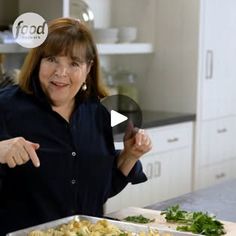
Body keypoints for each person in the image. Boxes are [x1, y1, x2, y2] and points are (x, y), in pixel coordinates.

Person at [0, 17, 152, 234]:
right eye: (52, 59)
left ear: (88, 68)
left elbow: (98, 192)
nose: (61, 73)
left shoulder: (99, 113)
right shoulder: (5, 108)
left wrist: (130, 156)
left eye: (74, 63)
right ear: (37, 61)